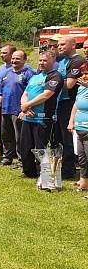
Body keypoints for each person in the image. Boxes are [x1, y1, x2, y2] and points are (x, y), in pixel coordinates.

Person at [18, 50, 63, 178]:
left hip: (43, 119)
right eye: (40, 60)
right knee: (25, 147)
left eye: (44, 60)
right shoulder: (35, 76)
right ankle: (28, 172)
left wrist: (28, 105)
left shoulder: (55, 76)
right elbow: (25, 93)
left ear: (53, 61)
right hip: (28, 118)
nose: (41, 63)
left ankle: (44, 175)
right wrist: (25, 107)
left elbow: (46, 95)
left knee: (41, 149)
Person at [54, 35, 86, 179]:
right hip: (59, 102)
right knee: (58, 138)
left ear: (73, 45)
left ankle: (69, 169)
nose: (59, 47)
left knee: (68, 139)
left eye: (62, 44)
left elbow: (69, 84)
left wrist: (51, 83)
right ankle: (60, 166)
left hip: (70, 103)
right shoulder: (61, 60)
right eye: (58, 45)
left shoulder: (77, 60)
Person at [0, 50, 33, 166]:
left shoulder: (29, 74)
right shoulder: (6, 73)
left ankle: (22, 160)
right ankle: (7, 157)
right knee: (6, 135)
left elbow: (31, 93)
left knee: (19, 137)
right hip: (5, 109)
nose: (14, 61)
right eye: (13, 58)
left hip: (18, 110)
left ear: (24, 60)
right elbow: (0, 92)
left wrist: (25, 109)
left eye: (18, 59)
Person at [67, 63, 88, 192]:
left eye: (87, 73)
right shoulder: (81, 88)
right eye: (83, 73)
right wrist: (71, 121)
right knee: (82, 156)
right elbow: (76, 105)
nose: (84, 76)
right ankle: (83, 180)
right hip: (79, 128)